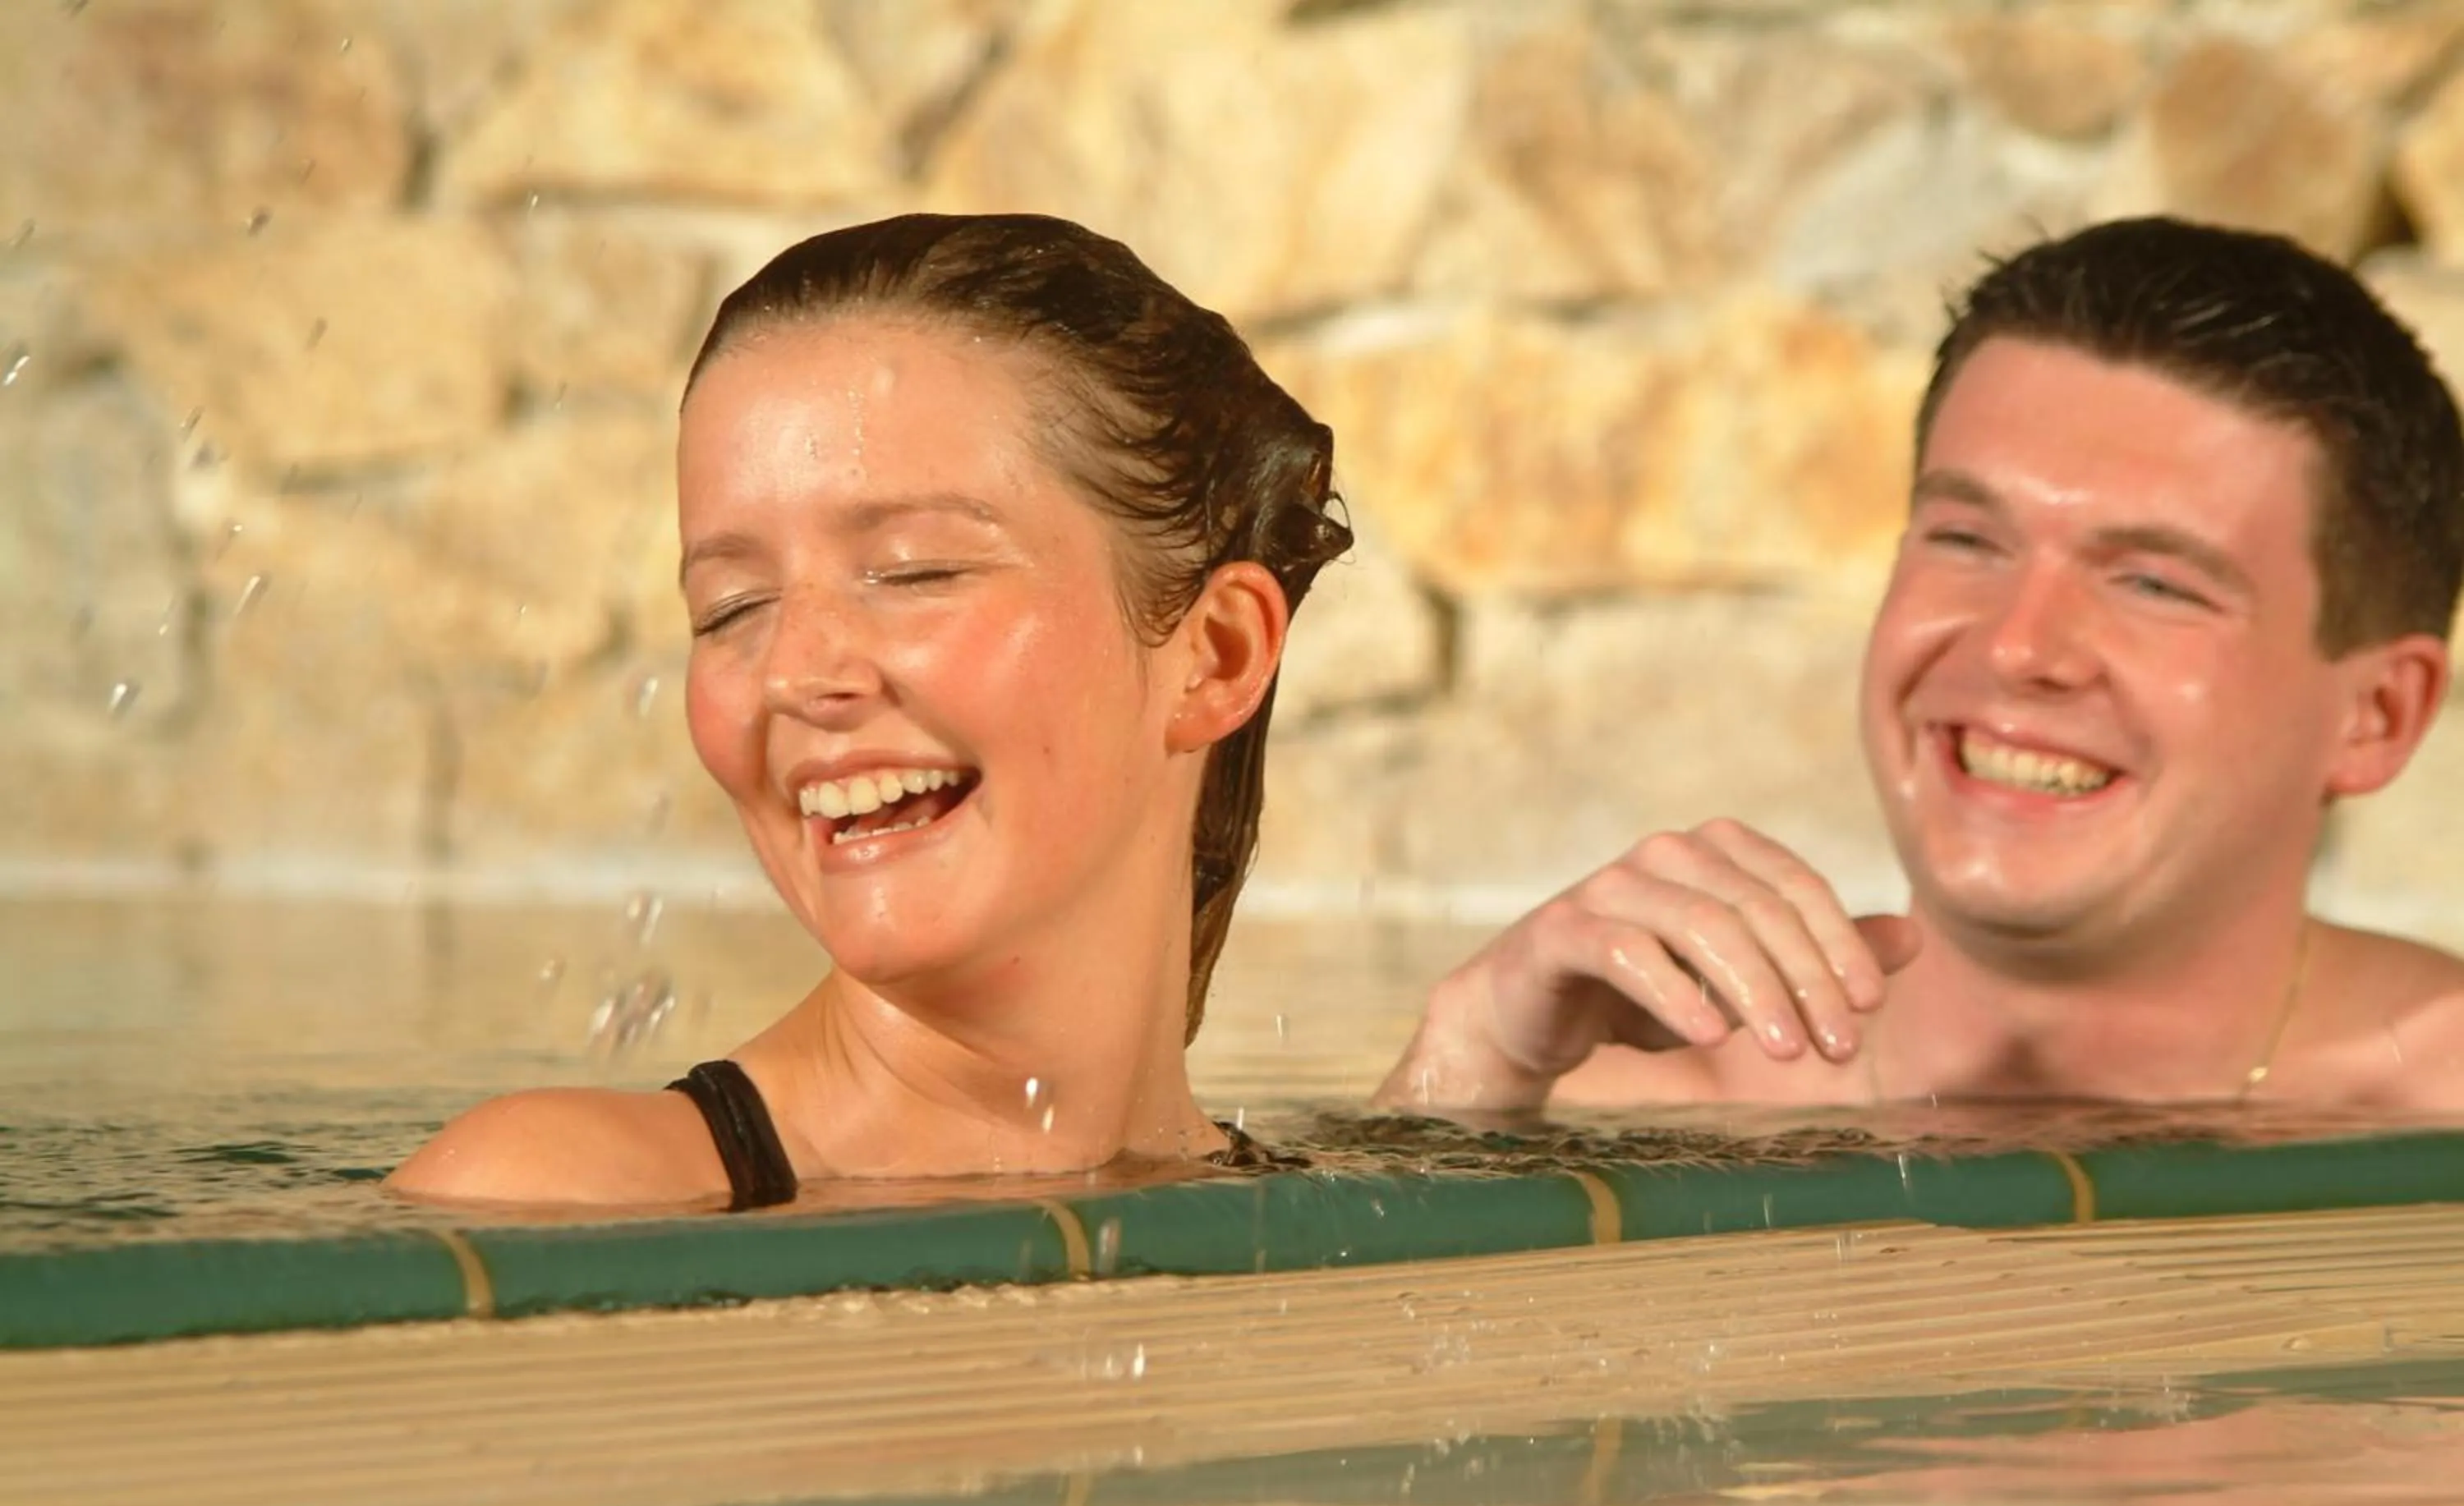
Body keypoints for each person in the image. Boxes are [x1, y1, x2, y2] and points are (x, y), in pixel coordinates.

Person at [1381, 216, 2464, 1113]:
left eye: (2153, 583)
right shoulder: (1613, 1107)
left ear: (2375, 715)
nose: (2017, 646)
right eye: (1967, 540)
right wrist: (1468, 1062)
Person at [392, 213, 1349, 1207]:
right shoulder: (552, 1192)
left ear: (1216, 656)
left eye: (913, 570)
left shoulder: (1309, 1212)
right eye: (733, 608)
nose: (795, 673)